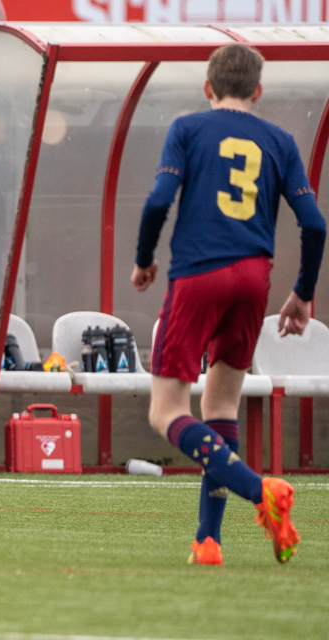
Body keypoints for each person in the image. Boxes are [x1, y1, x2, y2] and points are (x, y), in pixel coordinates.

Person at [132, 44, 325, 565]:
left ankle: (262, 491)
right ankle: (208, 541)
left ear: (207, 87)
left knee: (166, 412)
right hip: (253, 279)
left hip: (199, 274)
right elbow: (314, 224)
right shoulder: (280, 141)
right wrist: (303, 292)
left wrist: (144, 259)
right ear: (258, 91)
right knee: (219, 409)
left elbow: (158, 201)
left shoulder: (188, 129)